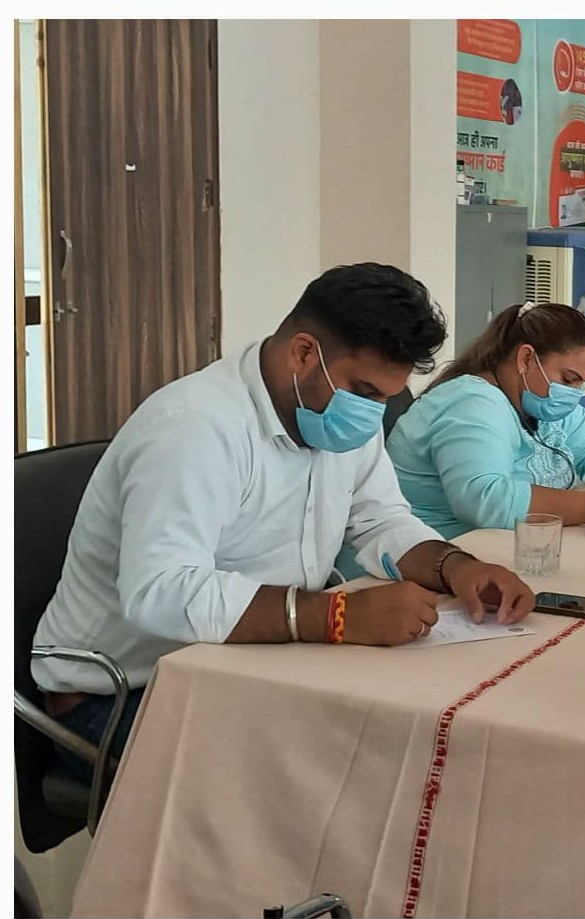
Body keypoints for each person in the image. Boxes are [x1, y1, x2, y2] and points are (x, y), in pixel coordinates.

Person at [32, 264, 537, 782]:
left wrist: (457, 567)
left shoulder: (337, 415)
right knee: (336, 773)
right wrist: (337, 617)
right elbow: (159, 591)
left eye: (386, 397)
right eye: (365, 391)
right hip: (120, 697)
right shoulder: (195, 427)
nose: (373, 413)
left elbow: (380, 519)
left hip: (249, 663)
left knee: (424, 732)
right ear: (303, 353)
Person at [383, 302, 585, 540]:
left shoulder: (540, 402)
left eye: (580, 384)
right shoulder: (472, 403)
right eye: (568, 379)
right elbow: (485, 499)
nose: (573, 393)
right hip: (439, 552)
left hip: (506, 544)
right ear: (526, 359)